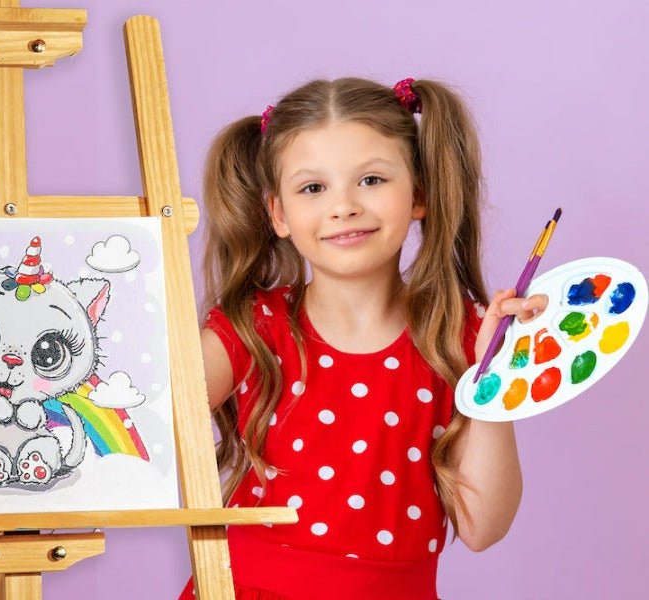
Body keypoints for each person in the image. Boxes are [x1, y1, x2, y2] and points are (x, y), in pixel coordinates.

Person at [178, 77, 548, 599]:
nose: (344, 206)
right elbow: (152, 416)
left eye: (371, 180)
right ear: (278, 214)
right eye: (313, 188)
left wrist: (496, 379)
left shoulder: (460, 337)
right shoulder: (253, 326)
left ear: (419, 194)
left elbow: (483, 527)